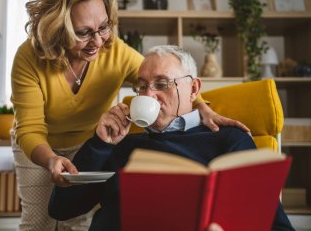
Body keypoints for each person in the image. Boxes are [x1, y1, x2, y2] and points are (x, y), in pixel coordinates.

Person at [10, 0, 249, 230]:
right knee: (37, 223)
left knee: (76, 224)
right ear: (58, 28)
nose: (99, 42)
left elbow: (162, 77)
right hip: (39, 143)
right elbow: (31, 128)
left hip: (87, 141)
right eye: (83, 33)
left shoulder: (115, 51)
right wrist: (50, 160)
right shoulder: (29, 58)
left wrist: (202, 106)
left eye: (103, 27)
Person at [48, 45, 294, 231]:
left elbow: (276, 225)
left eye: (162, 84)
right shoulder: (119, 144)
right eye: (142, 87)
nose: (149, 95)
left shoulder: (229, 140)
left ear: (194, 89)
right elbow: (62, 209)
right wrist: (99, 144)